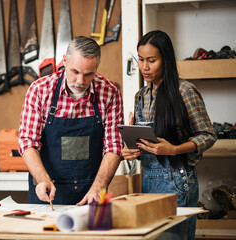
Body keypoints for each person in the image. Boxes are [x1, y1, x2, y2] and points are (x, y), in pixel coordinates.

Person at [122, 30, 216, 239]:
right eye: (140, 59)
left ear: (166, 59)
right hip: (148, 181)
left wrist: (174, 149)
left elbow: (208, 135)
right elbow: (144, 142)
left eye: (152, 60)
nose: (144, 67)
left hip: (177, 180)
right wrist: (132, 151)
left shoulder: (184, 91)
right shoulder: (141, 96)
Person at [18, 36, 124, 206]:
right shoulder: (40, 91)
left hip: (90, 196)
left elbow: (114, 146)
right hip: (47, 194)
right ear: (64, 61)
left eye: (88, 74)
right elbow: (27, 142)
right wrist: (42, 179)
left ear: (96, 68)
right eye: (75, 72)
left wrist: (99, 186)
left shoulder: (110, 93)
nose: (80, 81)